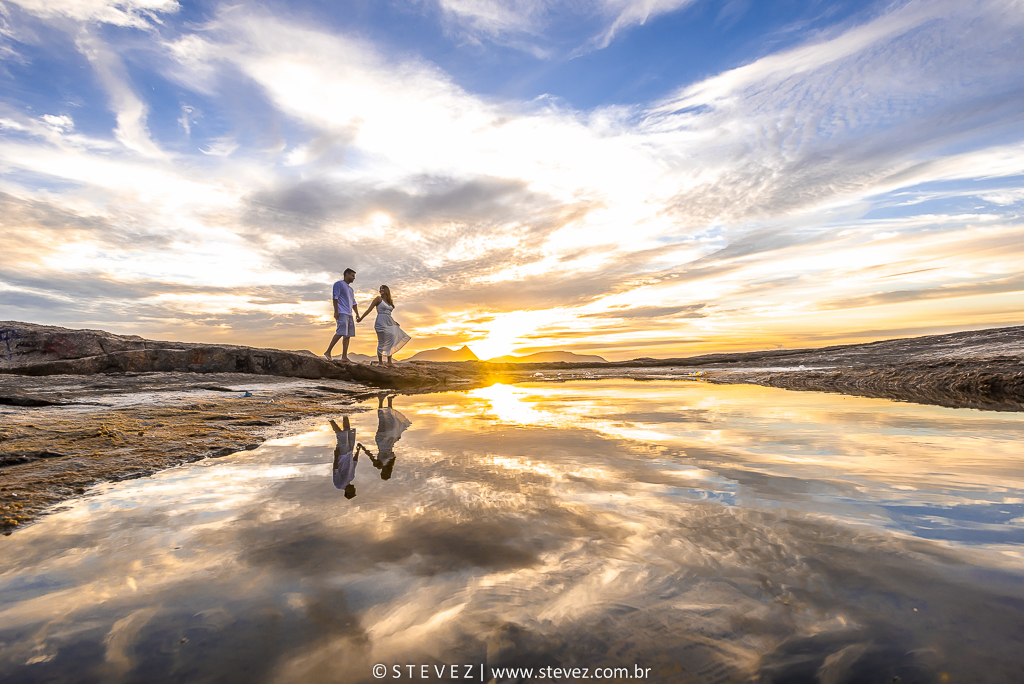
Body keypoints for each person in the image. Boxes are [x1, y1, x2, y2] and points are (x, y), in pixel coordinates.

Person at [357, 394, 411, 481]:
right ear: (389, 472)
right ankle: (389, 400)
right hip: (390, 441)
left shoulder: (379, 465)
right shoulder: (391, 463)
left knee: (383, 420)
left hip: (382, 441)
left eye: (384, 473)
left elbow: (370, 455)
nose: (384, 472)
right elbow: (391, 451)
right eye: (386, 473)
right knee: (392, 422)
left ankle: (381, 400)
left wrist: (361, 447)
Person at [357, 285, 410, 368]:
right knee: (381, 341)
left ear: (387, 291)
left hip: (390, 322)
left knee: (391, 339)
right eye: (380, 289)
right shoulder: (378, 299)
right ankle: (380, 362)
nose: (381, 290)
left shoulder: (389, 302)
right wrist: (361, 318)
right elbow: (369, 309)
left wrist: (394, 323)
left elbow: (388, 314)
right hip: (380, 321)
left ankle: (389, 362)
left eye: (383, 288)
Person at [325, 268, 360, 363]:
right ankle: (328, 352)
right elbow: (335, 297)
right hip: (341, 312)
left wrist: (357, 314)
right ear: (347, 274)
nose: (354, 278)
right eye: (352, 275)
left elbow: (353, 302)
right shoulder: (339, 284)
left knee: (347, 335)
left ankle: (344, 356)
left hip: (349, 313)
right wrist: (336, 311)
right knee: (340, 331)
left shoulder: (351, 289)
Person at [330, 416, 358, 499]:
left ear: (347, 492)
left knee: (341, 435)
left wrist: (336, 455)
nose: (354, 489)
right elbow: (354, 463)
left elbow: (335, 470)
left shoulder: (339, 485)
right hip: (349, 452)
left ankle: (330, 419)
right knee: (348, 431)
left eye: (353, 491)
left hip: (342, 455)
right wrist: (358, 451)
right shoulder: (351, 477)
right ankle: (345, 414)